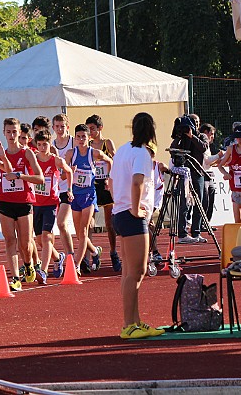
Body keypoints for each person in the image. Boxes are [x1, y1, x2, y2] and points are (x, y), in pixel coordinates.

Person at [110, 112, 164, 339]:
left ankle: (134, 322)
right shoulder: (142, 153)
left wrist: (119, 204)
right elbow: (137, 182)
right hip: (131, 217)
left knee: (128, 273)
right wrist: (134, 208)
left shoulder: (123, 150)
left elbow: (110, 182)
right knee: (138, 271)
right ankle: (128, 324)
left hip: (120, 214)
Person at [0, 118, 44, 291]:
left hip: (24, 202)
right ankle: (15, 277)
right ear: (4, 133)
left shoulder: (27, 153)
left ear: (19, 133)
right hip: (5, 201)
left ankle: (29, 264)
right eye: (8, 132)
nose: (12, 135)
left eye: (15, 132)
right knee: (9, 241)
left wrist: (20, 176)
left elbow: (40, 178)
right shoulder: (0, 152)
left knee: (25, 243)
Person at [65, 124, 111, 274]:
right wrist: (69, 172)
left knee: (84, 231)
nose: (80, 139)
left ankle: (77, 265)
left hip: (89, 195)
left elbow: (110, 161)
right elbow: (62, 172)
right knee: (79, 234)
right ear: (75, 138)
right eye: (78, 137)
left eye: (83, 137)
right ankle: (95, 251)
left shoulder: (94, 153)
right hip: (75, 195)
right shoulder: (71, 153)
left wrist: (108, 178)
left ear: (88, 137)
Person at [32, 130, 73, 281]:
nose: (43, 147)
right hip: (36, 203)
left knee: (46, 237)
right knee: (39, 240)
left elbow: (69, 172)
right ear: (36, 146)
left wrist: (69, 189)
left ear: (50, 144)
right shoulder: (34, 160)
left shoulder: (56, 160)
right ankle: (58, 258)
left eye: (45, 144)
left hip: (51, 203)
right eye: (40, 145)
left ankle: (43, 270)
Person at [86, 115, 120, 271]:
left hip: (105, 185)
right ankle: (89, 256)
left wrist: (109, 177)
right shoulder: (88, 144)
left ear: (100, 128)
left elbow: (115, 160)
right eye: (88, 129)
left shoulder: (107, 143)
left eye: (92, 128)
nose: (90, 132)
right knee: (89, 224)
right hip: (92, 186)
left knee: (109, 223)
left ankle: (113, 253)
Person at [170, 115, 208, 242]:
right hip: (185, 174)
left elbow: (203, 147)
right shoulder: (182, 138)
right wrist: (179, 136)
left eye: (197, 122)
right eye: (193, 122)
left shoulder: (202, 136)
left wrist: (192, 136)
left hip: (197, 173)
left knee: (199, 203)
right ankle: (182, 234)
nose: (195, 124)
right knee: (184, 204)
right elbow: (173, 150)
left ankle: (196, 233)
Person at [52, 114, 75, 264]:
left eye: (62, 126)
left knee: (64, 224)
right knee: (60, 225)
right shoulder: (50, 145)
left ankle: (72, 258)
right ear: (53, 128)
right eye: (57, 127)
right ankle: (69, 257)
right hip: (55, 189)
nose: (60, 129)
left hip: (72, 189)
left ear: (67, 127)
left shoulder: (74, 142)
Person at [218, 123, 241, 223]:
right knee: (237, 219)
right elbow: (220, 165)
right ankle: (240, 237)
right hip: (236, 189)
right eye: (237, 138)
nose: (239, 140)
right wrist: (225, 174)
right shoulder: (231, 149)